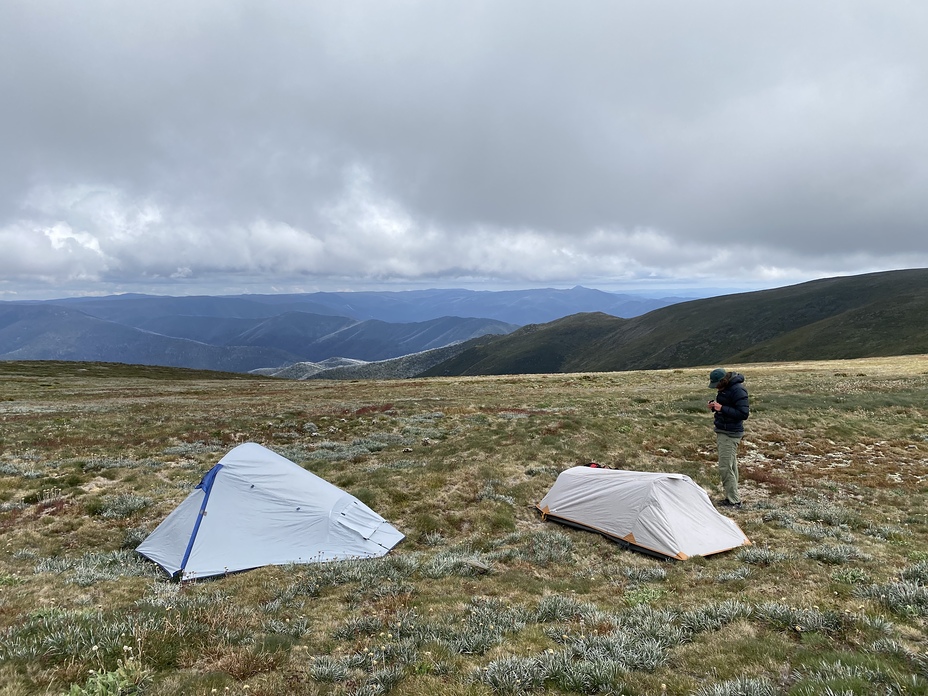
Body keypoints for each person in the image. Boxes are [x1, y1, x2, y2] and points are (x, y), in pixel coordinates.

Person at [707, 367, 749, 508]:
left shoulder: (738, 390)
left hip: (730, 433)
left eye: (717, 385)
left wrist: (722, 408)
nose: (716, 388)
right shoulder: (726, 389)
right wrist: (715, 407)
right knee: (731, 465)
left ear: (723, 381)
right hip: (724, 430)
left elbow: (743, 413)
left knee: (725, 467)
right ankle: (732, 497)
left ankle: (734, 501)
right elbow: (728, 407)